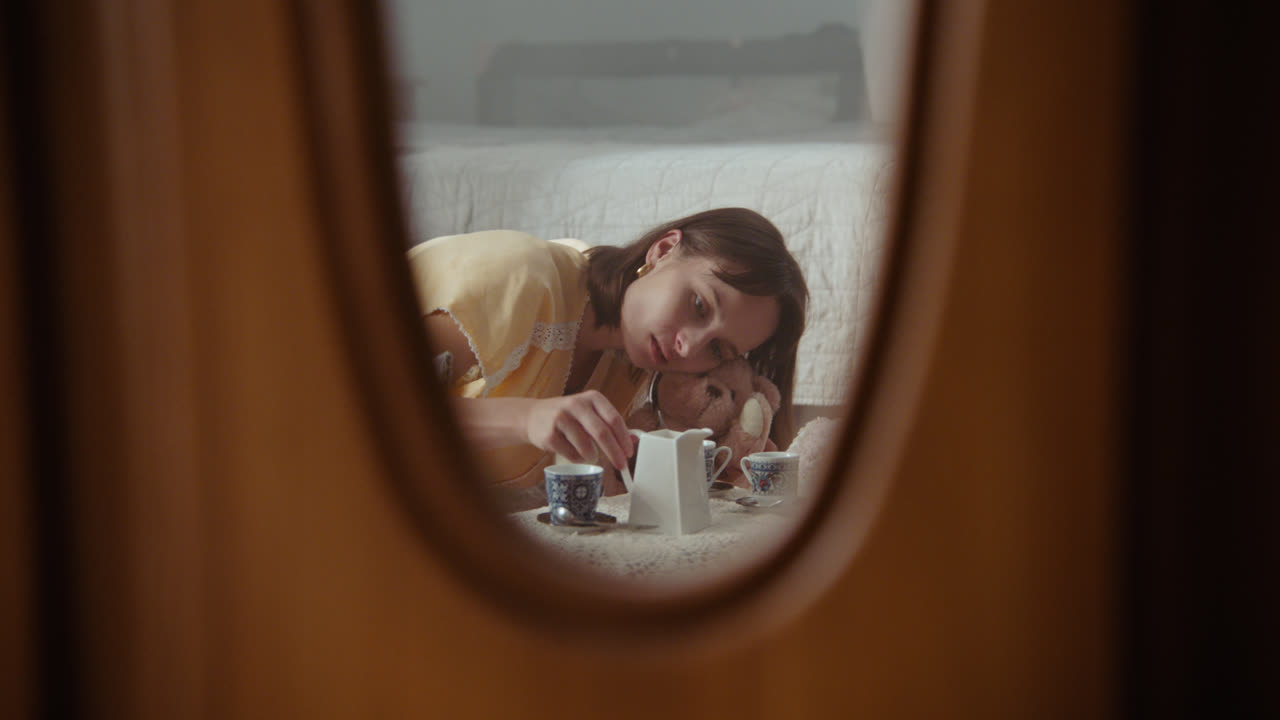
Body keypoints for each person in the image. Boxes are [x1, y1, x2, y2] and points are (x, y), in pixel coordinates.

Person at [407, 207, 808, 509]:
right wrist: (527, 417)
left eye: (717, 349)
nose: (688, 347)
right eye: (699, 305)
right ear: (664, 250)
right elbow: (361, 408)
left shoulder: (627, 369)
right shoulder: (516, 279)